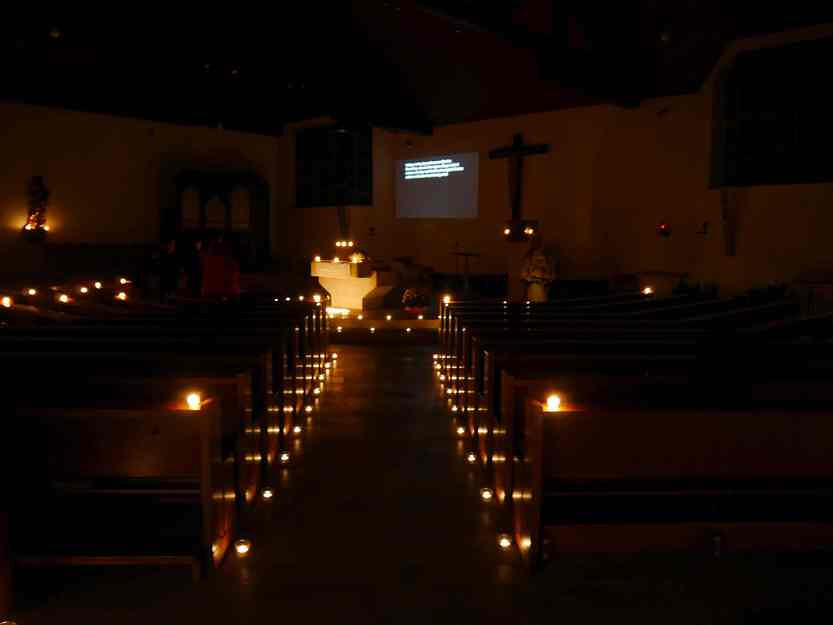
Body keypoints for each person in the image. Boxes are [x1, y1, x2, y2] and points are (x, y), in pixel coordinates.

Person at [159, 239, 180, 303]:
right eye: (171, 244)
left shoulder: (175, 255)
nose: (172, 246)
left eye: (174, 245)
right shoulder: (164, 254)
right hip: (166, 275)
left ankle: (171, 299)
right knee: (167, 288)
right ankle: (166, 299)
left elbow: (176, 266)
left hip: (173, 275)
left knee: (172, 288)